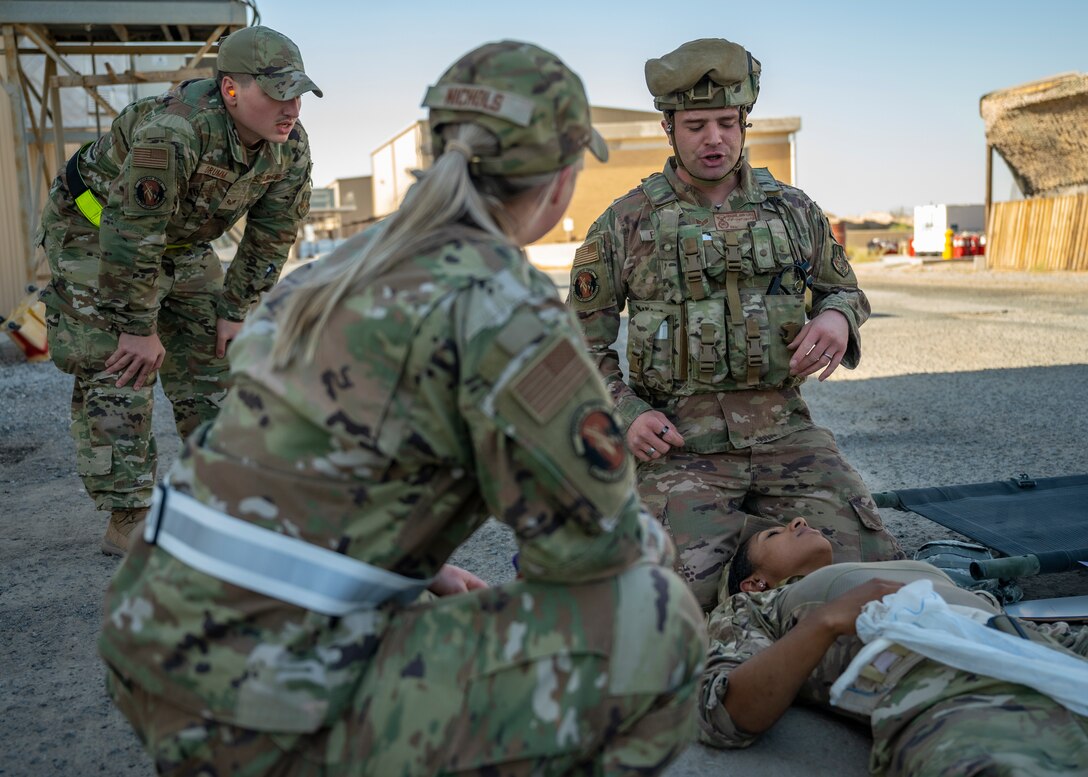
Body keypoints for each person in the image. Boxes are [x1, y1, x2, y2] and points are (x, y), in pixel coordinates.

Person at [98, 40, 707, 776]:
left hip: (146, 638)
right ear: (561, 182)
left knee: (433, 601)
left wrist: (414, 567)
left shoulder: (341, 268)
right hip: (247, 704)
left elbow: (297, 456)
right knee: (654, 616)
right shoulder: (506, 309)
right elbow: (594, 555)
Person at [567, 37, 903, 610]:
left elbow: (843, 288)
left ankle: (757, 558)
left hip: (786, 435)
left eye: (727, 121)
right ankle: (744, 566)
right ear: (668, 129)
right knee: (666, 605)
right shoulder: (624, 223)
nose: (714, 139)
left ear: (745, 122)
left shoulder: (793, 212)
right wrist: (625, 413)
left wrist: (837, 316)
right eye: (696, 125)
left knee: (877, 578)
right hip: (680, 446)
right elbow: (575, 347)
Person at [38, 25, 318, 555]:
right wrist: (137, 328)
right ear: (231, 89)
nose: (292, 108)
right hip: (95, 230)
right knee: (120, 362)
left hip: (179, 241)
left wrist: (236, 310)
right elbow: (130, 233)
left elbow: (273, 233)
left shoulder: (290, 147)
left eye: (298, 92)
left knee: (219, 354)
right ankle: (130, 517)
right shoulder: (175, 131)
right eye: (277, 92)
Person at [699, 516, 1088, 775]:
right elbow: (725, 715)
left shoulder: (887, 569)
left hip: (1048, 656)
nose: (799, 521)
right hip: (958, 694)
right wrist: (826, 622)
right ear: (755, 582)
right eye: (774, 533)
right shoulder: (751, 606)